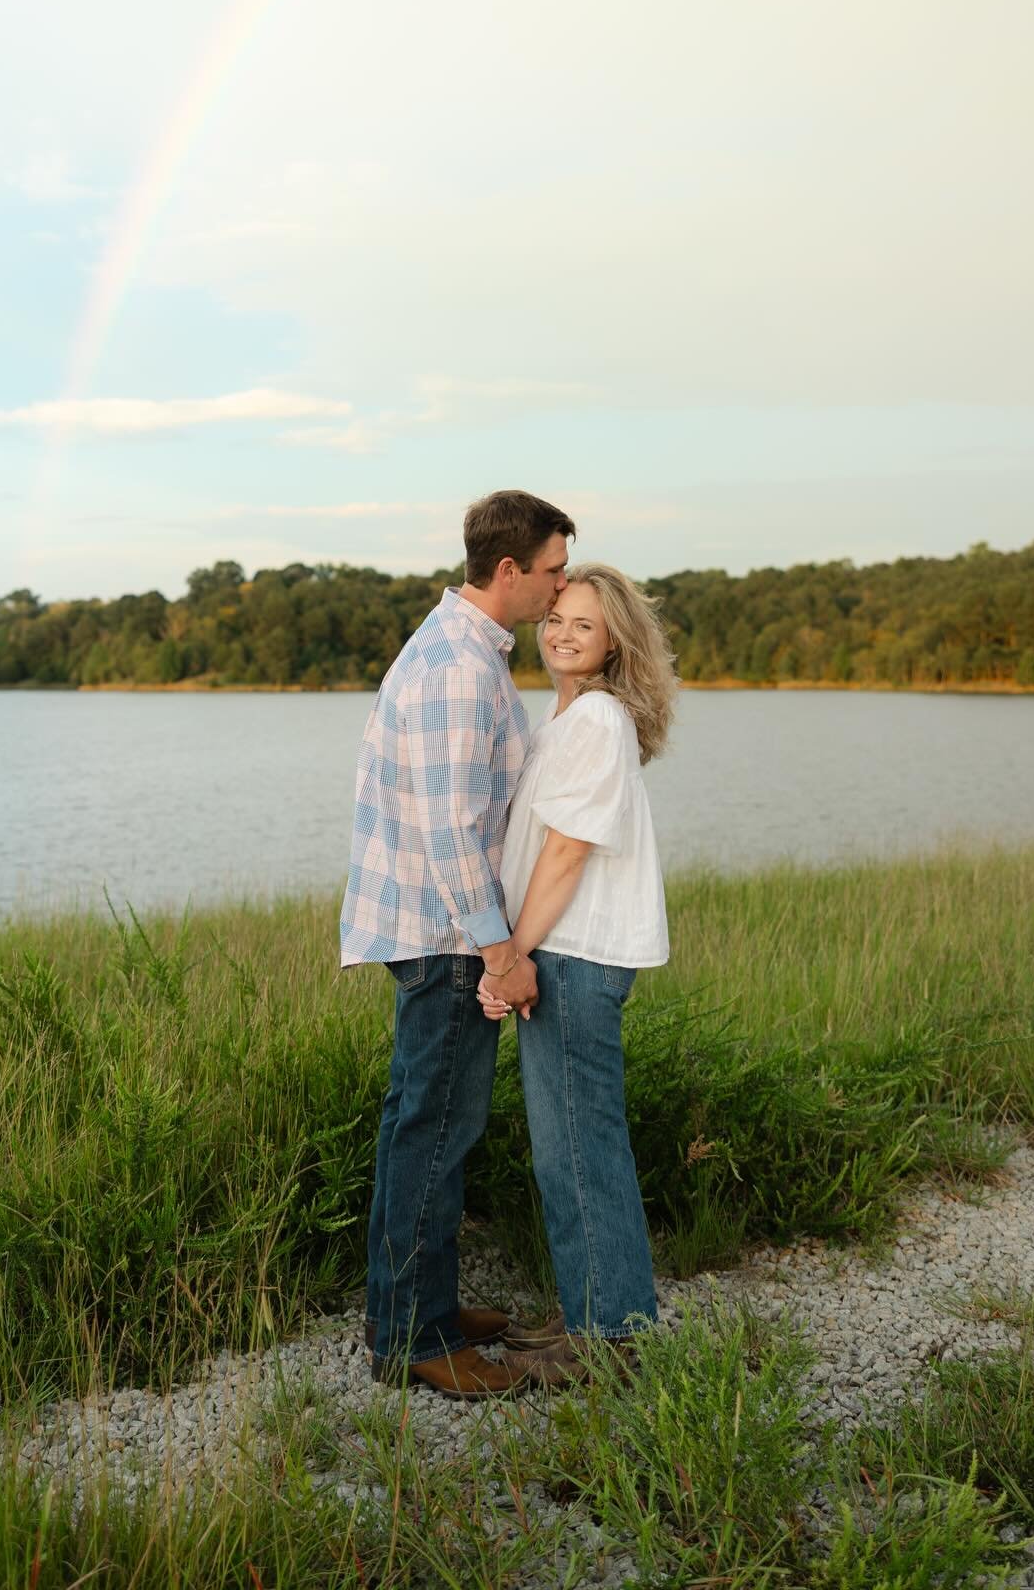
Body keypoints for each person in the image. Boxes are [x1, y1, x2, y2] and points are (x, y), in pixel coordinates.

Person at [341, 490, 575, 1398]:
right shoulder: (457, 669)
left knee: (424, 1124)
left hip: (446, 933)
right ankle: (413, 1340)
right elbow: (449, 834)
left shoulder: (466, 649)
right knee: (435, 1132)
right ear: (508, 569)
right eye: (552, 571)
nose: (560, 589)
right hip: (446, 938)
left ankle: (409, 1308)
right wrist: (500, 952)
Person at [478, 561, 677, 1387]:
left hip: (575, 953)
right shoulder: (563, 721)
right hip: (562, 948)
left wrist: (514, 952)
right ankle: (595, 1307)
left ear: (613, 641)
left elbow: (565, 854)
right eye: (557, 617)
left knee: (580, 1145)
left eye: (584, 625)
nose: (562, 633)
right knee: (567, 1145)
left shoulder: (598, 719)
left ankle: (612, 1340)